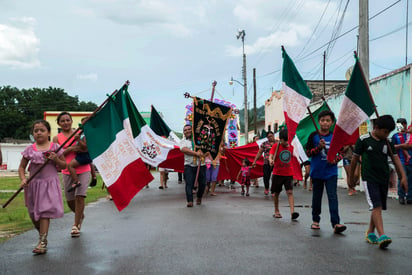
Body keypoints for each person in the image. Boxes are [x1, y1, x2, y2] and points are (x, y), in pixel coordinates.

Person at [350, 115, 407, 249]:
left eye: (388, 132)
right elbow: (354, 159)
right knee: (376, 205)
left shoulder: (387, 142)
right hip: (369, 178)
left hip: (383, 178)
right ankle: (382, 235)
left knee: (378, 206)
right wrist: (351, 177)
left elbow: (396, 159)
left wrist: (403, 176)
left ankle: (370, 232)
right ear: (376, 128)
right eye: (385, 131)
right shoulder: (363, 140)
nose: (386, 134)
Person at [18, 120, 66, 254]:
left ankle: (42, 242)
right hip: (33, 186)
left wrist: (56, 159)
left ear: (49, 132)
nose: (39, 133)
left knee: (44, 213)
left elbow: (64, 166)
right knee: (34, 215)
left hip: (49, 185)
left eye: (42, 130)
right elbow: (22, 167)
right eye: (36, 130)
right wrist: (23, 179)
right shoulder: (29, 149)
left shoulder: (55, 147)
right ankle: (42, 235)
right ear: (33, 133)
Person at [306, 110, 346, 233]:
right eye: (322, 120)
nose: (325, 123)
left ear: (332, 122)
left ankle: (336, 223)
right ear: (318, 122)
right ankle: (315, 220)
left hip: (331, 173)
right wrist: (318, 148)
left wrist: (335, 160)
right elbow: (308, 153)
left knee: (332, 197)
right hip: (317, 172)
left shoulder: (335, 137)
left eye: (328, 120)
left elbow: (341, 152)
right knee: (317, 197)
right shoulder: (313, 136)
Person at [52, 112, 91, 238]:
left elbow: (86, 148)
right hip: (67, 170)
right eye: (62, 121)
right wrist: (68, 150)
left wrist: (78, 147)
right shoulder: (56, 138)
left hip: (82, 168)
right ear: (58, 123)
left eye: (68, 120)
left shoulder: (78, 133)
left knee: (80, 196)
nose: (65, 123)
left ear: (71, 121)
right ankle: (80, 215)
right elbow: (55, 154)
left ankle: (76, 225)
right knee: (70, 201)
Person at [269, 129, 299, 220]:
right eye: (285, 140)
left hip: (288, 174)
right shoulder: (275, 146)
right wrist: (271, 160)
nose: (287, 142)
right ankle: (276, 210)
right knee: (276, 193)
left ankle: (292, 212)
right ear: (280, 139)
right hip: (277, 173)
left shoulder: (291, 147)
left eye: (288, 140)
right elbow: (271, 155)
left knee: (290, 192)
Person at [180, 124, 205, 207]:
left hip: (201, 164)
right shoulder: (183, 141)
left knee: (202, 184)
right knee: (189, 183)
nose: (187, 131)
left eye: (189, 129)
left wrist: (203, 152)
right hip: (189, 166)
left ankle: (199, 196)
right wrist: (196, 153)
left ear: (192, 130)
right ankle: (190, 201)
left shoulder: (200, 139)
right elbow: (184, 149)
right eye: (185, 130)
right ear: (183, 132)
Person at [66, 117, 94, 191]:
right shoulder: (83, 133)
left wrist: (78, 139)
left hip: (84, 155)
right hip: (82, 154)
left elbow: (85, 146)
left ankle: (76, 181)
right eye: (81, 125)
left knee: (70, 165)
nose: (82, 126)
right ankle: (93, 177)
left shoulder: (88, 134)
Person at [393, 118, 412, 204]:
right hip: (401, 161)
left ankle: (410, 197)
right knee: (402, 179)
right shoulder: (395, 136)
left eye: (401, 124)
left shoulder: (409, 135)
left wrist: (401, 146)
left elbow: (409, 145)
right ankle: (401, 196)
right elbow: (392, 148)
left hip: (411, 161)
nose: (399, 126)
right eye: (398, 125)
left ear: (405, 124)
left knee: (411, 180)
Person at [252, 131, 276, 195]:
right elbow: (259, 153)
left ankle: (273, 190)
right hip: (266, 162)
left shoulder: (278, 143)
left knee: (275, 177)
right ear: (267, 138)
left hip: (276, 162)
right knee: (266, 176)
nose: (270, 138)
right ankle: (266, 188)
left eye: (271, 136)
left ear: (273, 135)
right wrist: (255, 161)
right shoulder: (264, 144)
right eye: (269, 137)